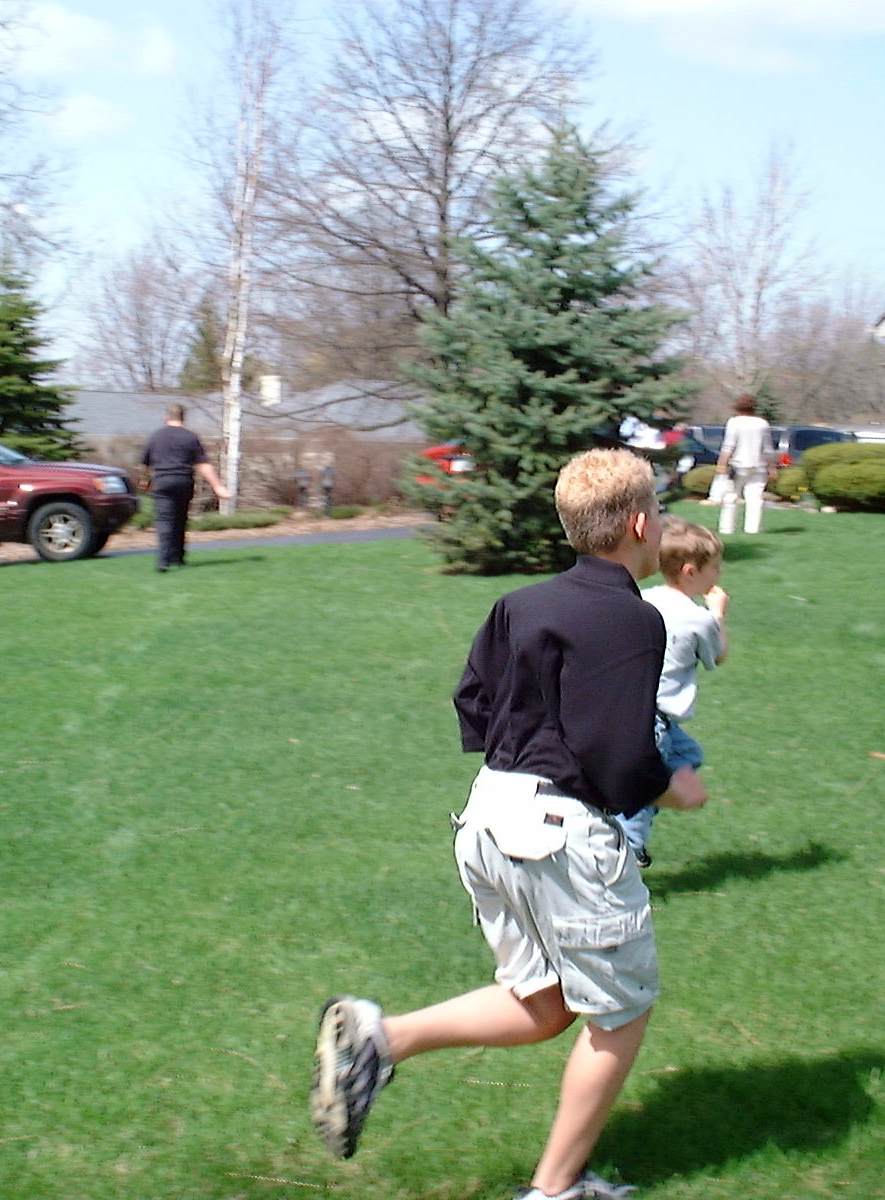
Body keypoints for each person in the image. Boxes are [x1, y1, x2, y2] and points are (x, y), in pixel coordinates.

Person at [310, 449, 708, 1200]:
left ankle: (379, 1040)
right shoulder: (635, 618)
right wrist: (668, 788)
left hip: (488, 813)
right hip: (559, 831)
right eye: (656, 511)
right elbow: (617, 752)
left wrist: (529, 752)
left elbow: (474, 701)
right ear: (638, 524)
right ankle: (556, 1190)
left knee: (545, 1004)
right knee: (620, 1014)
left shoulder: (520, 604)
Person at [619, 516, 729, 869]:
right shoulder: (698, 618)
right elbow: (719, 655)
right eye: (715, 567)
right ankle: (627, 847)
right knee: (647, 784)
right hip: (655, 720)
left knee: (687, 754)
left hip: (626, 708)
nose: (719, 574)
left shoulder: (642, 598)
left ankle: (619, 810)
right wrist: (718, 615)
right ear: (690, 571)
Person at [138, 404, 230, 572]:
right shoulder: (190, 437)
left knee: (165, 520)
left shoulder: (156, 436)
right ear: (183, 417)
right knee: (180, 519)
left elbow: (144, 463)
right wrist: (218, 487)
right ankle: (178, 557)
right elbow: (203, 464)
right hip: (183, 481)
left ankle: (163, 561)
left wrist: (143, 482)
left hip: (162, 482)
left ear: (166, 417)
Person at [715, 395, 774, 534]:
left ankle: (726, 528)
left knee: (731, 496)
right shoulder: (762, 423)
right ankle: (752, 529)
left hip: (738, 465)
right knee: (755, 498)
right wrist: (772, 467)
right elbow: (768, 448)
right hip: (759, 466)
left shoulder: (734, 422)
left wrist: (721, 464)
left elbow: (728, 446)